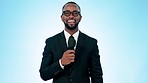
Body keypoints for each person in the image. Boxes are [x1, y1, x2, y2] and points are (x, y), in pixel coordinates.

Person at [39, 1, 103, 83]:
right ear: (62, 17)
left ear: (80, 17)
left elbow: (97, 76)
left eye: (75, 13)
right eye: (67, 13)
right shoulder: (51, 42)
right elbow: (44, 74)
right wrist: (61, 63)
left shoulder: (91, 43)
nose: (71, 16)